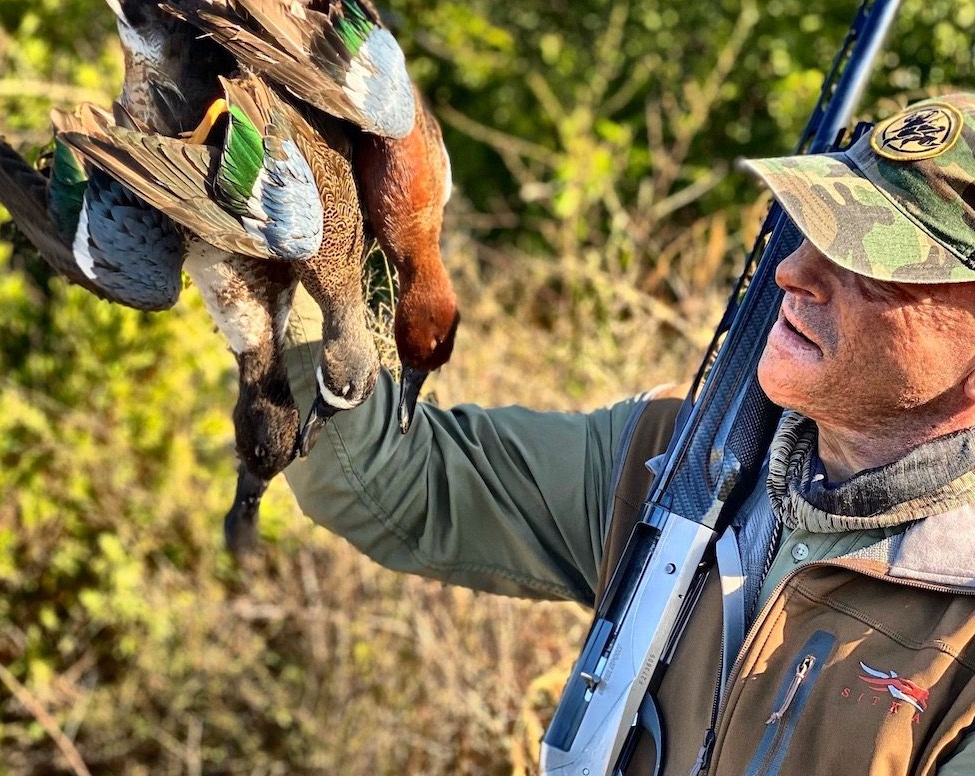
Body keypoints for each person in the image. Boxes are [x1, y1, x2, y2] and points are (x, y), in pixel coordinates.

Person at [282, 90, 975, 775]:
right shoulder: (681, 455)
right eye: (814, 230)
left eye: (871, 260)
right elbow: (385, 474)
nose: (795, 274)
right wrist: (293, 250)